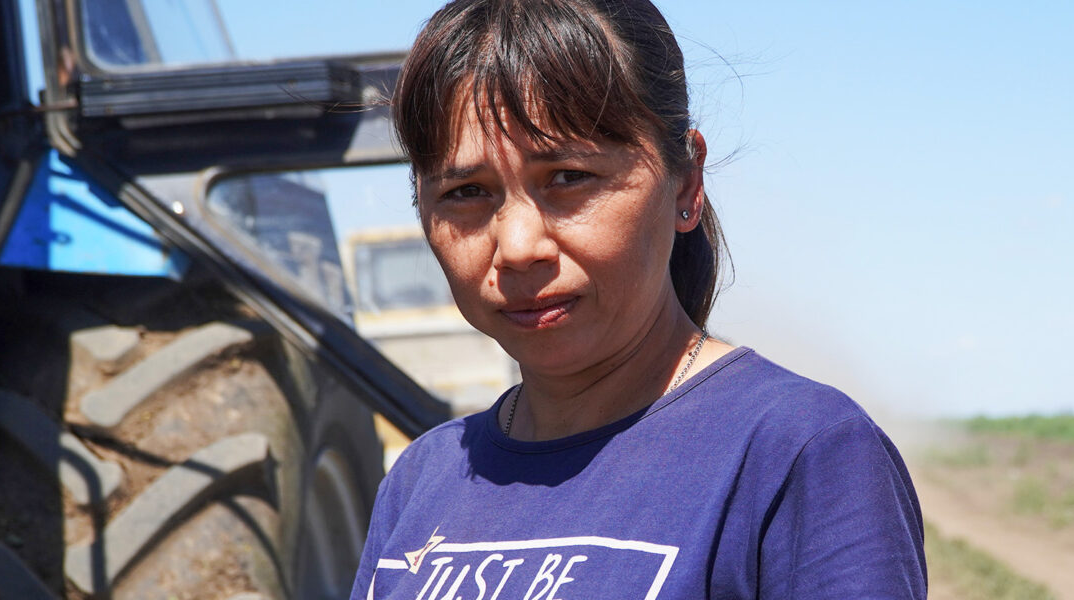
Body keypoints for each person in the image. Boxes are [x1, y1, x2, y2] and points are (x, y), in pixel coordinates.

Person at [351, 0, 927, 597]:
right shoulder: (422, 482)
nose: (518, 247)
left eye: (569, 178)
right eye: (466, 191)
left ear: (686, 183)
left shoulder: (798, 453)